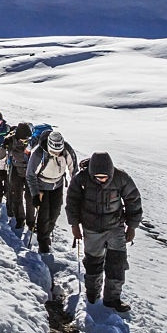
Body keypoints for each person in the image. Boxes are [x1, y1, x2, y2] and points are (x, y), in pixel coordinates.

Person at [66, 152, 143, 312]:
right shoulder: (81, 179)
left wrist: (132, 227)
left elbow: (133, 201)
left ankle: (112, 299)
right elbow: (72, 202)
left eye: (105, 176)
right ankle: (92, 295)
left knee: (117, 263)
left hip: (115, 227)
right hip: (91, 228)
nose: (102, 180)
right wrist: (74, 225)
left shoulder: (121, 178)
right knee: (93, 263)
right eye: (98, 177)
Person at [26, 130, 78, 254]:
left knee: (55, 213)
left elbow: (74, 171)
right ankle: (43, 243)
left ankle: (46, 234)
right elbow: (30, 174)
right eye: (53, 151)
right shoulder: (38, 154)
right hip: (42, 186)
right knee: (44, 215)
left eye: (58, 151)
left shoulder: (67, 151)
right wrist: (34, 194)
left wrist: (76, 190)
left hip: (58, 185)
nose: (56, 153)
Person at [3, 123, 34, 230]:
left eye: (26, 140)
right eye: (23, 140)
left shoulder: (32, 142)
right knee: (17, 196)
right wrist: (4, 146)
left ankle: (31, 222)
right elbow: (1, 154)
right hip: (16, 170)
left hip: (30, 172)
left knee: (30, 198)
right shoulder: (11, 140)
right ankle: (20, 219)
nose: (25, 142)